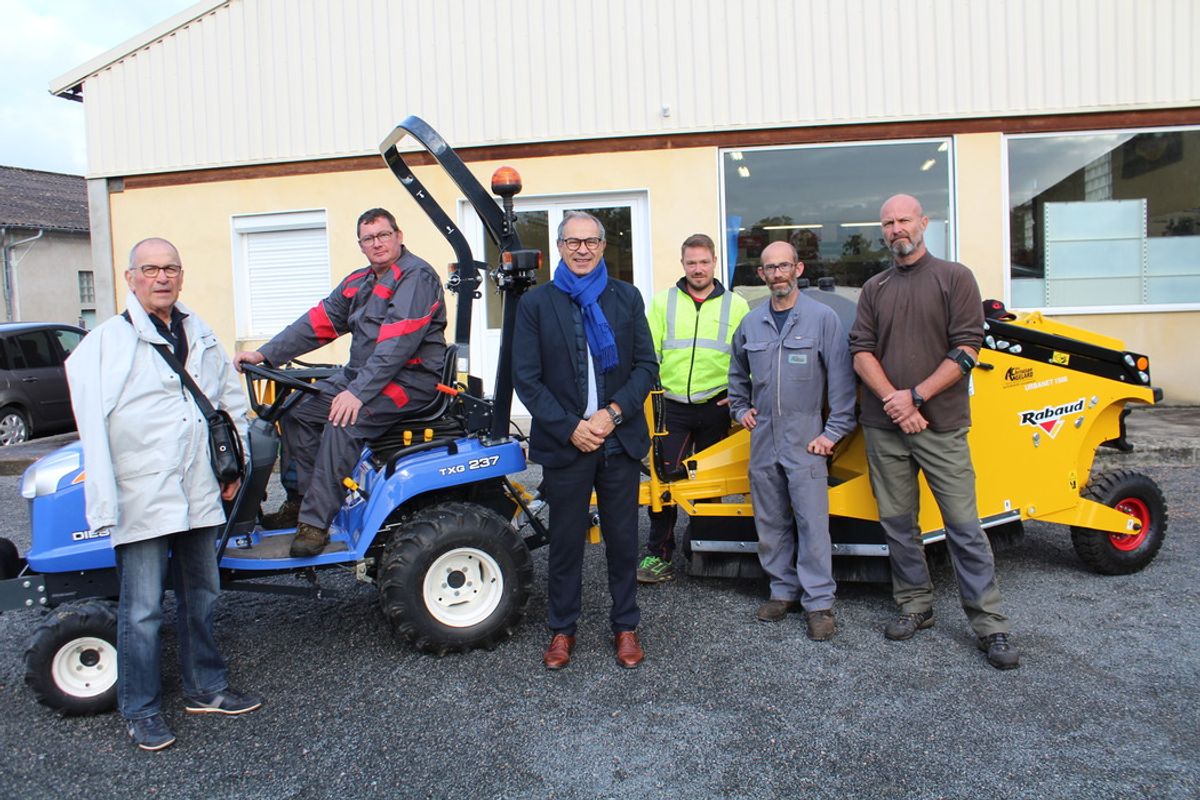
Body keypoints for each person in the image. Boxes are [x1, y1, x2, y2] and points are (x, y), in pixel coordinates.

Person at [67, 238, 261, 752]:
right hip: (142, 493)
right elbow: (91, 427)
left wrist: (233, 463)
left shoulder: (199, 331)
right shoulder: (106, 343)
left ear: (181, 275)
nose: (162, 277)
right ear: (130, 278)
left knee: (202, 595)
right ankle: (141, 709)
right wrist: (106, 499)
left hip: (199, 486)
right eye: (150, 269)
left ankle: (207, 688)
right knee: (142, 609)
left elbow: (228, 402)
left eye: (171, 268)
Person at [849, 193, 1019, 670]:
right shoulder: (875, 287)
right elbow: (861, 351)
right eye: (887, 222)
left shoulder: (954, 278)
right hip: (886, 427)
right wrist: (894, 401)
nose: (896, 228)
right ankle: (915, 606)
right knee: (899, 527)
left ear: (923, 223)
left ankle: (991, 626)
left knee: (964, 527)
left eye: (904, 219)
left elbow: (968, 349)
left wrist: (916, 397)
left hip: (939, 427)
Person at [234, 208, 447, 557]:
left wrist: (357, 394)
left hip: (410, 381)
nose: (377, 243)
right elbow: (317, 323)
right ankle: (301, 501)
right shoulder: (359, 282)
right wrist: (265, 354)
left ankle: (315, 524)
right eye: (369, 238)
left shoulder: (416, 277)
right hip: (363, 374)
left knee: (342, 420)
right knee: (297, 411)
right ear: (361, 245)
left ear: (398, 235)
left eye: (383, 235)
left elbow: (396, 347)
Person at [513, 210, 658, 670]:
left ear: (601, 247)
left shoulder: (626, 298)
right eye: (572, 241)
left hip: (617, 441)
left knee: (622, 540)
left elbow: (646, 367)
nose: (581, 249)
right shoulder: (537, 304)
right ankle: (562, 630)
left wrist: (612, 414)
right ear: (559, 247)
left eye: (590, 241)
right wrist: (570, 426)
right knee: (566, 541)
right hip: (566, 443)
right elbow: (527, 378)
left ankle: (626, 627)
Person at [727, 241, 856, 640]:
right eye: (769, 268)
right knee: (770, 520)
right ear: (761, 275)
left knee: (812, 523)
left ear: (798, 269)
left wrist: (832, 433)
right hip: (763, 437)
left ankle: (819, 604)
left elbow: (842, 383)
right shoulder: (751, 322)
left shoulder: (822, 319)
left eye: (784, 266)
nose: (777, 274)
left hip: (806, 438)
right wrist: (739, 408)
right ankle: (781, 591)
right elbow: (736, 373)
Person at [639, 233, 749, 583]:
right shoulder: (662, 303)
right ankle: (660, 555)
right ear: (683, 264)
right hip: (671, 407)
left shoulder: (737, 306)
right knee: (666, 480)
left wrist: (740, 391)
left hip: (717, 406)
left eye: (704, 262)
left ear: (714, 262)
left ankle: (706, 549)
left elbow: (749, 357)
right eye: (691, 263)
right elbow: (646, 354)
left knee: (712, 483)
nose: (698, 269)